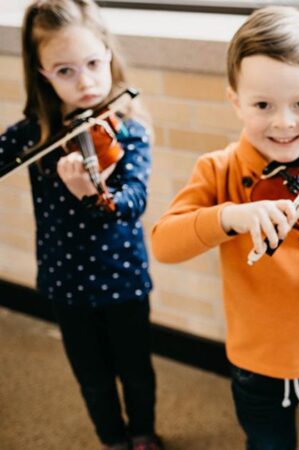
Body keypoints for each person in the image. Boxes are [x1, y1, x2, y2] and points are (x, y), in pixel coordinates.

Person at [150, 6, 299, 450]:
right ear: (235, 100)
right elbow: (164, 244)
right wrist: (229, 216)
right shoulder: (220, 171)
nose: (283, 122)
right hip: (255, 362)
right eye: (262, 105)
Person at [0, 1, 160, 449]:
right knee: (91, 376)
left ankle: (143, 433)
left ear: (108, 54)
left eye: (93, 63)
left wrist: (96, 197)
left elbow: (134, 200)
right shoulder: (33, 135)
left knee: (136, 370)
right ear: (43, 74)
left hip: (122, 276)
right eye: (65, 70)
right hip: (65, 278)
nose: (85, 80)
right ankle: (112, 438)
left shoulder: (129, 131)